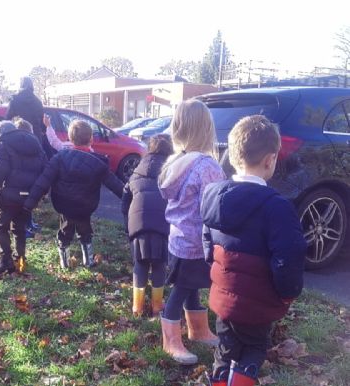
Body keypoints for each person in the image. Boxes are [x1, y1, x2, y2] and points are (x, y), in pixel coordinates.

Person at [200, 115, 307, 386]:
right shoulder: (276, 206)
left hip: (223, 294)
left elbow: (206, 243)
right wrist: (288, 292)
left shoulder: (213, 196)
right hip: (256, 300)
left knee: (226, 345)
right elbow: (288, 256)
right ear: (270, 160)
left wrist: (218, 272)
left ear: (233, 155)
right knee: (254, 348)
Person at [158, 99, 226, 365]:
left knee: (191, 285)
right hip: (198, 242)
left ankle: (198, 330)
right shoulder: (207, 166)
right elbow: (215, 207)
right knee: (183, 288)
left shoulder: (175, 163)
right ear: (206, 129)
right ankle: (171, 341)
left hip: (179, 240)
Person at [24, 120, 123, 269]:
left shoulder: (59, 158)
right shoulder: (98, 163)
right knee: (85, 230)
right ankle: (88, 260)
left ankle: (64, 263)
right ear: (91, 139)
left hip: (64, 204)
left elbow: (43, 181)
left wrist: (29, 203)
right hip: (85, 205)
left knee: (65, 230)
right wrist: (133, 199)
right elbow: (116, 185)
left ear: (70, 139)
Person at [0, 119, 48, 274]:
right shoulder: (35, 144)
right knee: (19, 228)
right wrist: (39, 193)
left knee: (1, 227)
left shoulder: (2, 145)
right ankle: (20, 260)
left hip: (9, 197)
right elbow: (45, 170)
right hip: (29, 197)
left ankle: (5, 259)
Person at [121, 134, 172, 317]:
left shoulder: (136, 173)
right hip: (161, 225)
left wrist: (128, 226)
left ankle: (138, 307)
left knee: (140, 263)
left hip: (138, 226)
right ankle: (157, 306)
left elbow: (125, 201)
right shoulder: (170, 173)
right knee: (159, 264)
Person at [6, 77, 44, 144]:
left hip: (18, 136)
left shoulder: (14, 100)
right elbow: (42, 122)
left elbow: (7, 119)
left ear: (21, 85)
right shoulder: (38, 102)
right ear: (32, 86)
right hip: (35, 137)